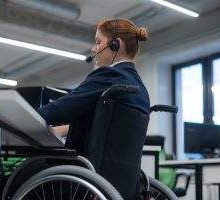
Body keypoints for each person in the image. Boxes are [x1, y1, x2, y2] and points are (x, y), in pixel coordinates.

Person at [37, 18, 150, 199]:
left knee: (23, 173)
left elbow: (59, 109)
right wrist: (55, 130)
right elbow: (103, 122)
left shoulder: (110, 76)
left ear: (115, 45)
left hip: (86, 183)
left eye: (98, 42)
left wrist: (25, 117)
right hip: (120, 187)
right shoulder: (139, 87)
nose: (93, 48)